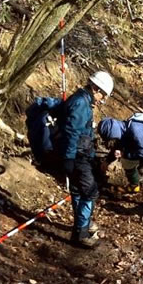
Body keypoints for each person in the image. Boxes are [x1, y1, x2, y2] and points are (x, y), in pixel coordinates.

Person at [55, 71, 114, 248]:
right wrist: (70, 158)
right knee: (90, 191)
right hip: (78, 156)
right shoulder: (81, 103)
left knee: (77, 191)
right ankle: (81, 233)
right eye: (102, 95)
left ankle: (82, 225)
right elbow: (73, 133)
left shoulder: (82, 101)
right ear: (95, 88)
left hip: (80, 155)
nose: (102, 99)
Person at [97, 112, 143, 211]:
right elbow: (118, 146)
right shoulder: (124, 129)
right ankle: (134, 186)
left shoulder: (136, 131)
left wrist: (125, 154)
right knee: (127, 162)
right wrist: (108, 161)